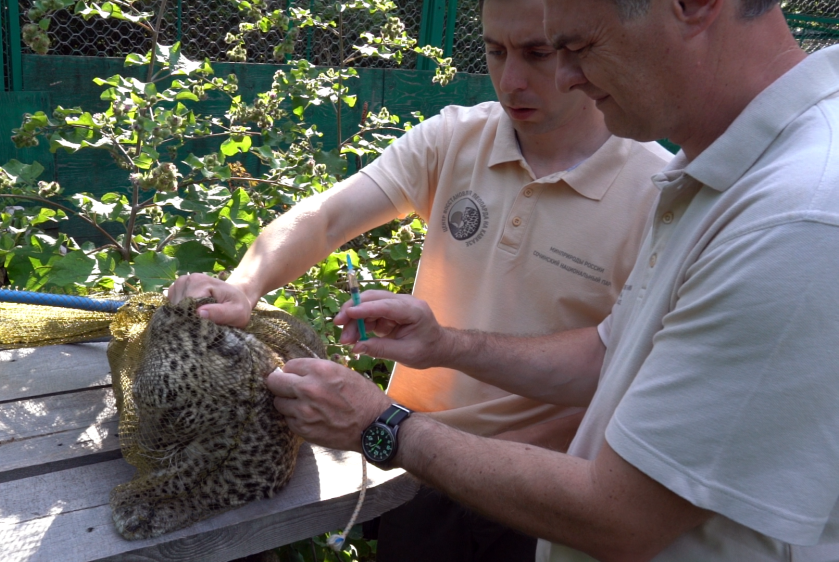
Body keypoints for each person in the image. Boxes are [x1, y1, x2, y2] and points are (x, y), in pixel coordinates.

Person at [264, 0, 839, 560]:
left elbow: (624, 519)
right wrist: (444, 345)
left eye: (577, 46)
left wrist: (381, 425)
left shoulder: (796, 216)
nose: (567, 77)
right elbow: (610, 354)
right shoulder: (724, 175)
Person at [170, 0, 670, 558]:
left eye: (538, 53)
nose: (510, 80)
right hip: (410, 461)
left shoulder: (658, 192)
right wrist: (246, 284)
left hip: (538, 495)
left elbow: (613, 358)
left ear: (585, 48)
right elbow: (328, 215)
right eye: (495, 50)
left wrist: (445, 347)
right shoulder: (455, 137)